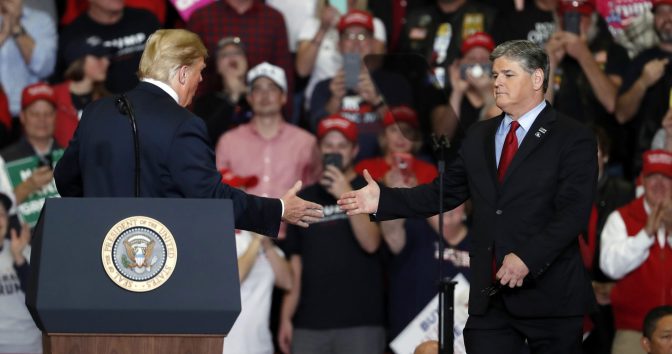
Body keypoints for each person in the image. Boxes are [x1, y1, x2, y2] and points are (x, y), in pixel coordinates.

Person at [339, 39, 598, 353]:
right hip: (491, 300)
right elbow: (443, 193)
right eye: (494, 75)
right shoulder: (479, 134)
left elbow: (573, 213)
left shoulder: (573, 136)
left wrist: (528, 258)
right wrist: (384, 200)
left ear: (537, 78)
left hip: (552, 298)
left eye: (507, 74)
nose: (496, 82)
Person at [53, 29, 323, 238]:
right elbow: (210, 199)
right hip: (157, 267)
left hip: (98, 252)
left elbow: (65, 179)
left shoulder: (96, 111)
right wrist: (279, 209)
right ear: (182, 73)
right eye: (199, 72)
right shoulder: (183, 124)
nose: (201, 81)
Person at [278, 115, 384, 354]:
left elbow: (371, 243)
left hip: (361, 322)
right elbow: (296, 264)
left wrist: (346, 193)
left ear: (354, 150)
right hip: (309, 323)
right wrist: (286, 317)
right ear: (318, 150)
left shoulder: (370, 192)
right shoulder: (304, 197)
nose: (334, 151)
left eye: (341, 146)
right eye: (328, 145)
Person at [215, 62, 321, 237]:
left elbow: (315, 193)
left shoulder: (306, 142)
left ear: (284, 97)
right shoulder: (228, 141)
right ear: (249, 98)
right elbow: (218, 195)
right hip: (241, 240)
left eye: (272, 88)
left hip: (291, 238)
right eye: (257, 89)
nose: (265, 95)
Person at [600, 149, 672, 354]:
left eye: (665, 177)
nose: (658, 183)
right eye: (652, 177)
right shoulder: (622, 217)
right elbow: (611, 268)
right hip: (634, 332)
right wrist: (646, 234)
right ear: (642, 181)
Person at [218, 168, 292, 354]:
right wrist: (257, 241)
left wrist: (265, 244)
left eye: (244, 190)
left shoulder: (258, 237)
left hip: (261, 346)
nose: (244, 198)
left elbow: (287, 281)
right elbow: (234, 280)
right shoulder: (215, 236)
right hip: (226, 347)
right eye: (237, 191)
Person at [615, 0, 672, 176]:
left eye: (671, 11)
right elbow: (621, 115)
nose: (667, 18)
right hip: (644, 168)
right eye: (660, 13)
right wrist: (643, 82)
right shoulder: (641, 61)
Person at [55, 0, 160, 94]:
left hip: (150, 103)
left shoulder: (146, 20)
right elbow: (62, 84)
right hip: (100, 108)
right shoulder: (72, 35)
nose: (105, 61)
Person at [0, 82, 59, 205]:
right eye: (34, 114)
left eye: (47, 114)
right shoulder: (4, 159)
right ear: (22, 117)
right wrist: (28, 186)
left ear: (56, 117)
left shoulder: (69, 156)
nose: (42, 120)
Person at [0, 0, 57, 119]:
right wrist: (2, 37)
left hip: (31, 115)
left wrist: (17, 28)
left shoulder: (41, 21)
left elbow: (44, 69)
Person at [52, 34, 110, 148]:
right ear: (79, 61)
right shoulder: (52, 97)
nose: (106, 62)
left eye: (106, 57)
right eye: (98, 57)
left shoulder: (108, 102)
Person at [192, 37, 252, 147]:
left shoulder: (260, 95)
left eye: (237, 53)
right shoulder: (205, 102)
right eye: (225, 55)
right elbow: (203, 137)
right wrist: (233, 97)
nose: (232, 57)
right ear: (218, 66)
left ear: (246, 62)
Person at [0, 193, 40, 354]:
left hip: (31, 342)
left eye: (1, 214)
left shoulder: (24, 249)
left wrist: (19, 259)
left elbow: (37, 295)